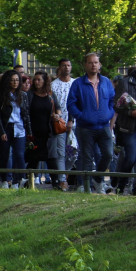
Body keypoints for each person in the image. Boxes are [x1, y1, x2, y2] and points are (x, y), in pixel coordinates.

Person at [67, 52, 116, 194]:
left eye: (96, 62)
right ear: (85, 65)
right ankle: (86, 187)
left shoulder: (106, 81)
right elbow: (71, 104)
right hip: (85, 127)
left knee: (108, 154)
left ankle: (98, 180)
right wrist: (81, 116)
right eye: (90, 62)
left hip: (104, 126)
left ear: (99, 65)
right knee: (87, 157)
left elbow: (112, 100)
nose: (93, 65)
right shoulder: (78, 83)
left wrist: (109, 113)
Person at [0, 70, 32, 189]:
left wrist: (29, 132)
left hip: (19, 127)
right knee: (5, 154)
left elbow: (26, 114)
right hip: (6, 127)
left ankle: (21, 179)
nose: (15, 82)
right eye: (12, 80)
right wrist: (1, 131)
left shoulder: (23, 95)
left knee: (19, 154)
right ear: (7, 81)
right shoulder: (1, 95)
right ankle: (5, 179)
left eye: (17, 80)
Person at [25, 71, 64, 188]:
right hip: (34, 132)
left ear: (44, 81)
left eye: (39, 80)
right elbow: (26, 111)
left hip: (49, 132)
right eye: (35, 80)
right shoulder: (29, 95)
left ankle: (56, 183)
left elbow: (58, 108)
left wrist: (57, 115)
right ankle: (29, 183)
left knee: (51, 158)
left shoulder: (50, 94)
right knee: (33, 159)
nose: (36, 82)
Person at [51, 59, 74, 191]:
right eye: (64, 65)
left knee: (73, 152)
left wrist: (72, 119)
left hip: (75, 122)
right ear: (59, 67)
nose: (67, 68)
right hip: (58, 124)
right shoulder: (53, 85)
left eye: (69, 65)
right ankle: (62, 180)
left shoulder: (75, 83)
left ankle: (69, 174)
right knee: (60, 152)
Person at [113, 67, 136, 195]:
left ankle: (135, 189)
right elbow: (116, 105)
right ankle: (121, 187)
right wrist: (131, 112)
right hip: (129, 128)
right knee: (131, 157)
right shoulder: (125, 82)